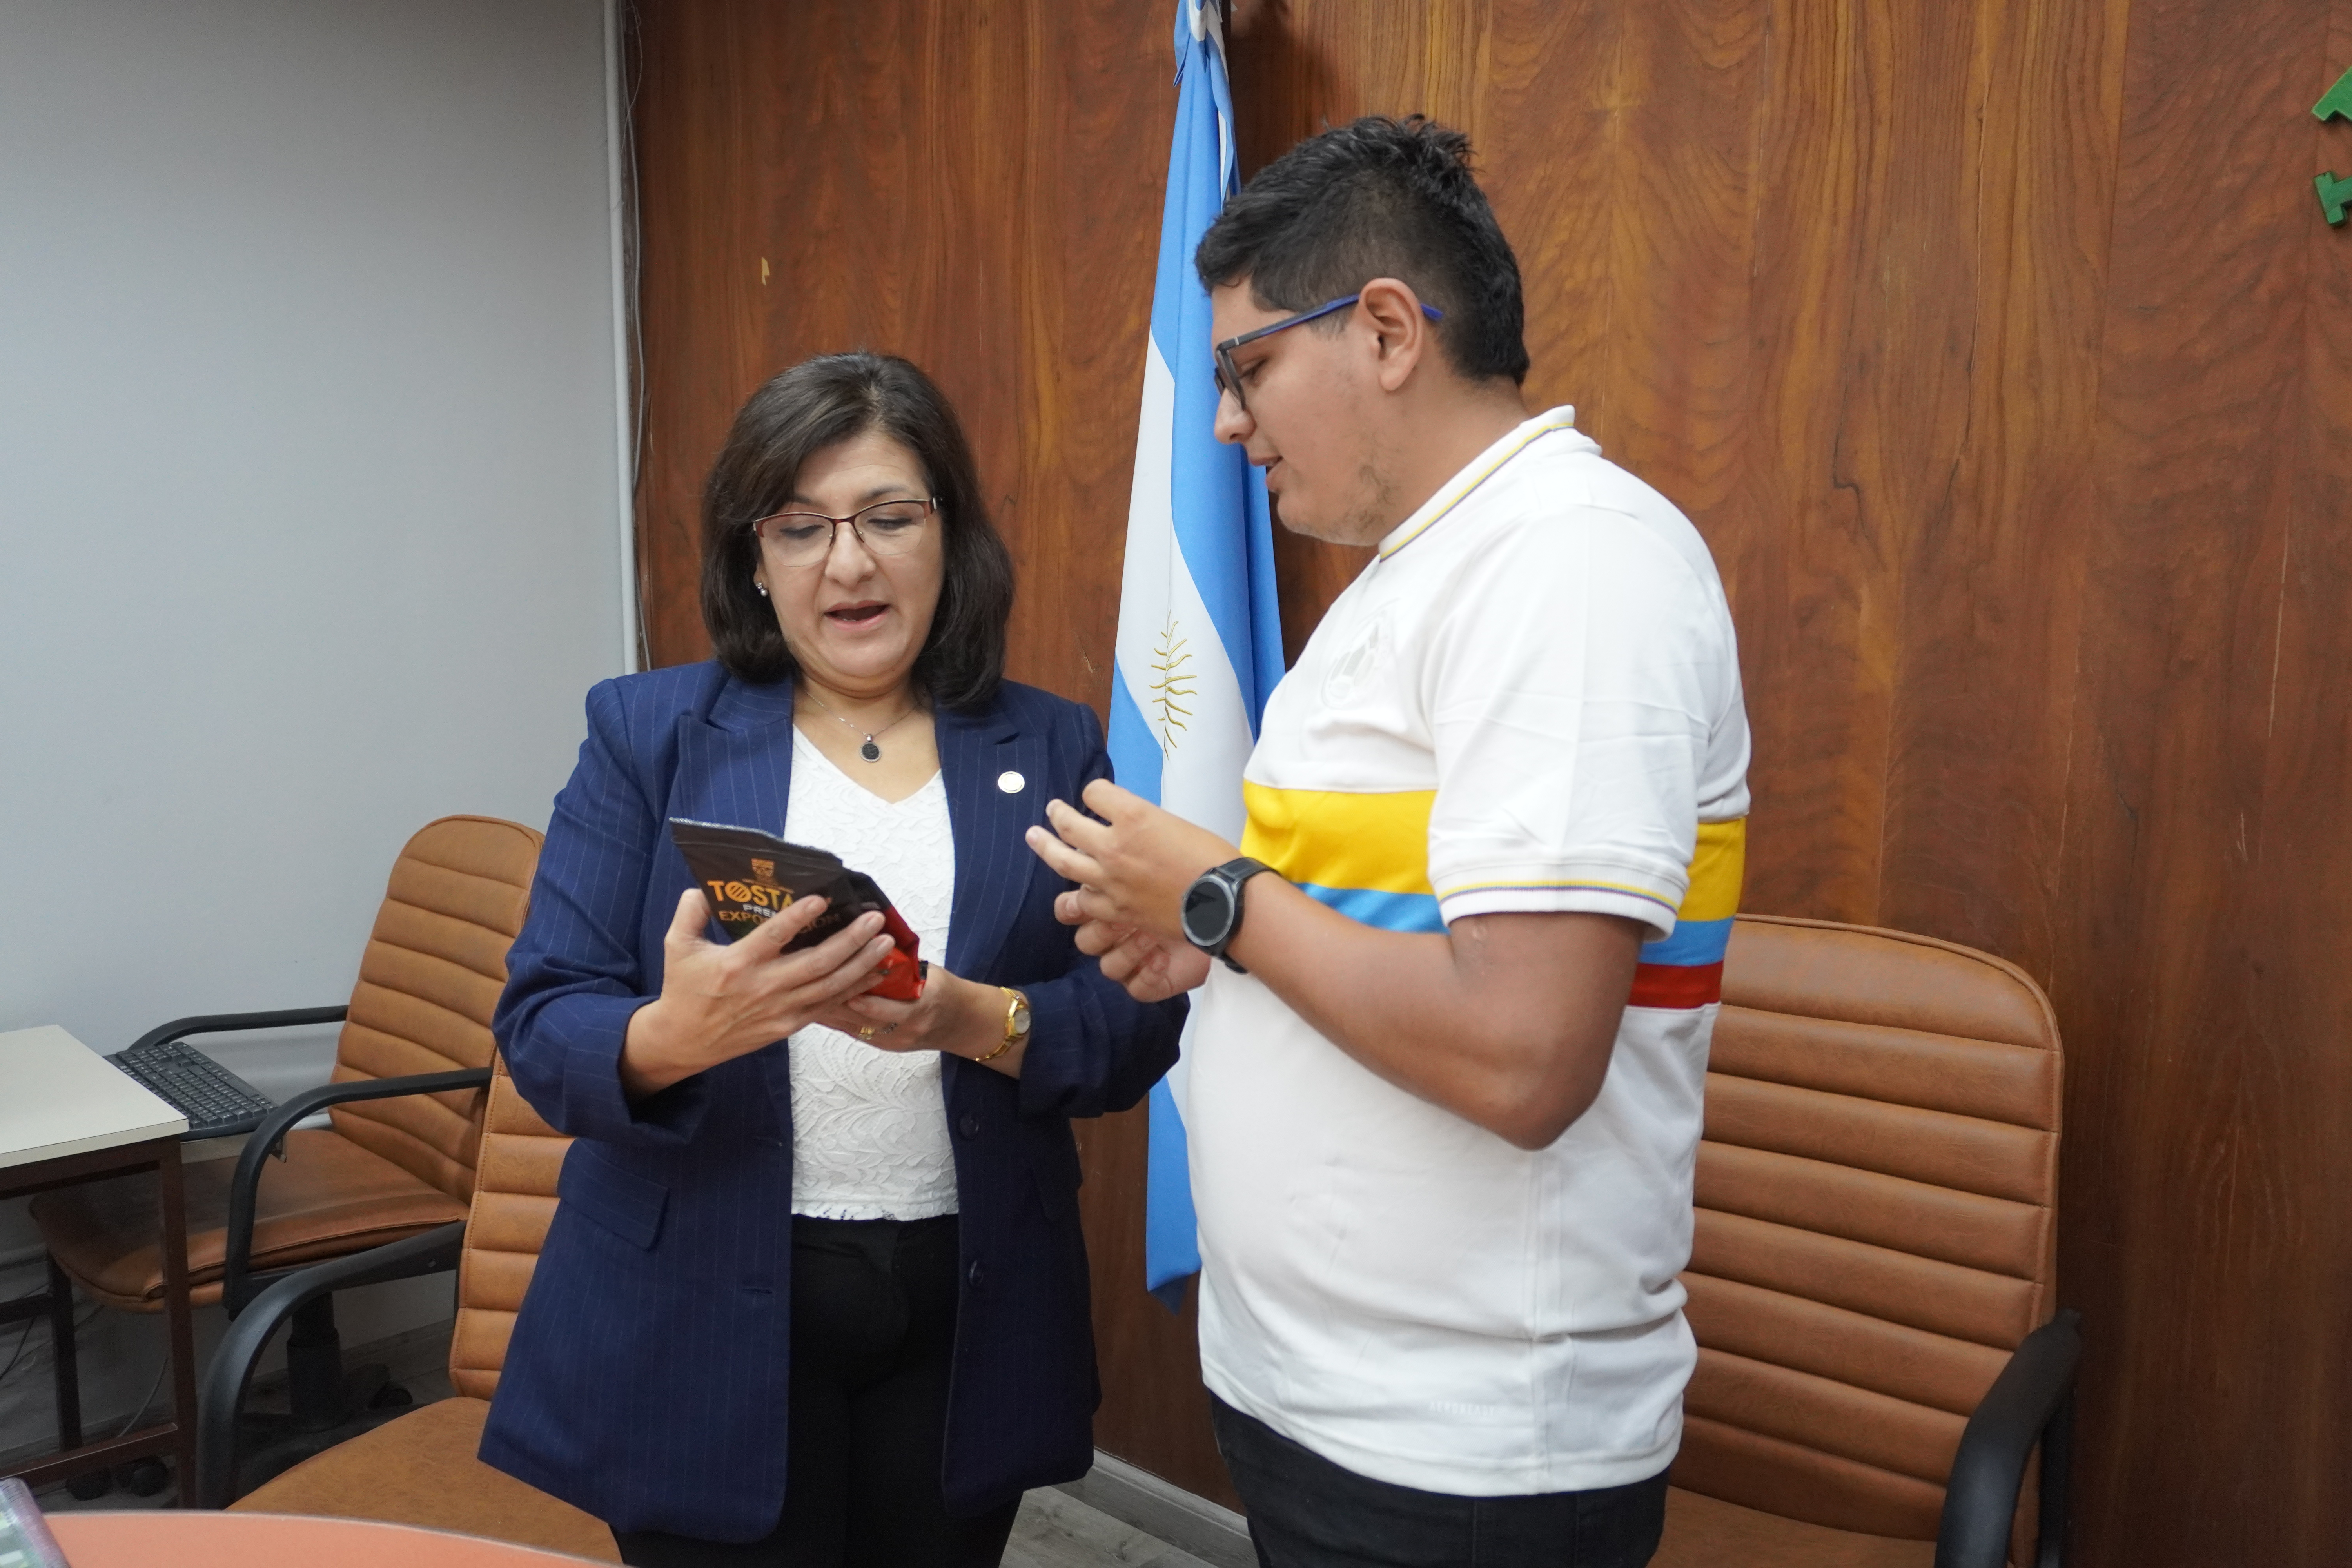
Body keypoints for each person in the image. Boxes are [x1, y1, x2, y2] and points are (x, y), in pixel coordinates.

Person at [1027, 117, 1751, 1568]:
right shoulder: (1418, 573)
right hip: (1328, 1401)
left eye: (1245, 369)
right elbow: (1395, 922)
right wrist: (1221, 941)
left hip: (1466, 1450)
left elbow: (1524, 1056)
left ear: (1383, 329)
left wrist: (1222, 897)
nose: (1227, 421)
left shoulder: (1572, 566)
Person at [482, 352, 1185, 1568]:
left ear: (947, 537)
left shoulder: (1053, 740)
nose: (846, 562)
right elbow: (543, 1022)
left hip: (967, 1307)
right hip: (698, 1303)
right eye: (800, 527)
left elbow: (1136, 1023)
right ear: (754, 560)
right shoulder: (649, 735)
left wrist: (980, 1021)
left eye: (887, 518)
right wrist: (675, 1036)